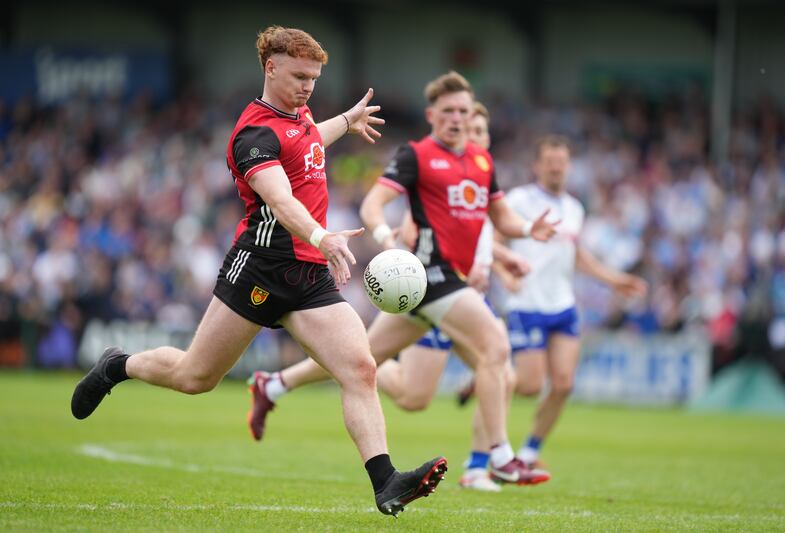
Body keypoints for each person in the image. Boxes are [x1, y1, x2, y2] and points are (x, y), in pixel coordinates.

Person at [70, 25, 447, 517]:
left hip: (308, 276)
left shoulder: (299, 115)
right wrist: (321, 235)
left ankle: (385, 482)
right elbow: (280, 198)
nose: (308, 85)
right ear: (270, 68)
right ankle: (117, 365)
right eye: (299, 76)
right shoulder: (253, 134)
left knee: (360, 368)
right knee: (194, 376)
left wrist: (346, 120)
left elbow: (308, 141)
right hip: (260, 270)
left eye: (314, 77)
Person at [247, 71, 559, 486]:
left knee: (378, 371)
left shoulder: (482, 161)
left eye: (463, 111)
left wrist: (525, 231)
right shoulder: (417, 155)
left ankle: (275, 385)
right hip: (432, 277)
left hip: (447, 284)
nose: (456, 118)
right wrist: (384, 236)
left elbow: (500, 217)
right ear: (432, 114)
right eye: (448, 111)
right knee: (496, 349)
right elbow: (374, 204)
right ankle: (496, 457)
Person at [383, 102, 541, 492]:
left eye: (481, 133)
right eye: (470, 132)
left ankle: (478, 466)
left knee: (501, 370)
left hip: (463, 293)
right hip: (440, 291)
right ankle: (495, 459)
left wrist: (501, 264)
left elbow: (483, 235)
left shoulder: (480, 176)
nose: (475, 140)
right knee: (413, 396)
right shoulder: (440, 178)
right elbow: (416, 226)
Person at [479, 134, 648, 476]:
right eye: (550, 162)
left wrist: (613, 279)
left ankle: (528, 452)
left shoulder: (574, 207)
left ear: (568, 166)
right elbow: (491, 240)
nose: (556, 168)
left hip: (563, 305)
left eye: (561, 162)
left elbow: (575, 255)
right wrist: (501, 272)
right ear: (537, 165)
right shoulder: (520, 199)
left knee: (564, 384)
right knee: (528, 385)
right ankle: (490, 376)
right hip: (527, 303)